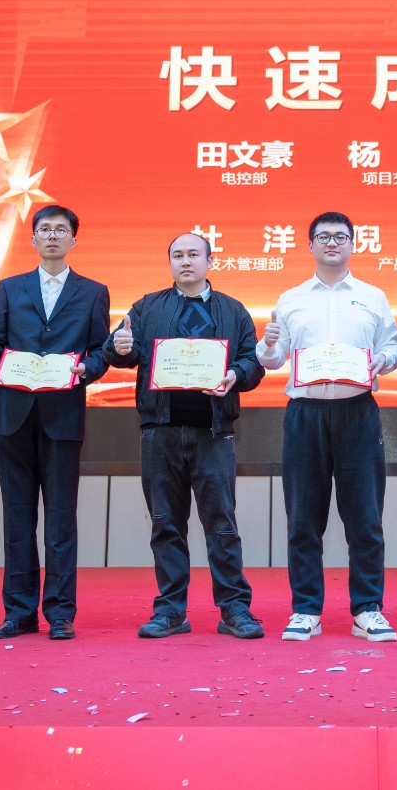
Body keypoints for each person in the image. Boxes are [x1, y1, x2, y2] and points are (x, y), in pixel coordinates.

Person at [103, 231, 267, 640]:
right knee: (165, 524)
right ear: (170, 263)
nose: (185, 261)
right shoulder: (147, 307)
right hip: (160, 432)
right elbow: (118, 351)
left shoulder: (233, 310)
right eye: (177, 255)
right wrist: (120, 347)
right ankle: (171, 611)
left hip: (214, 433)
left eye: (194, 254)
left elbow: (253, 363)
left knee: (222, 524)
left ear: (210, 261)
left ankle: (234, 609)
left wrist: (236, 374)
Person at [257, 211, 397, 642]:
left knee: (365, 518)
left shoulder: (373, 296)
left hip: (358, 412)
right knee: (303, 519)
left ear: (353, 244)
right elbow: (274, 360)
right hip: (305, 415)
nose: (332, 243)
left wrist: (384, 359)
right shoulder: (292, 298)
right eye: (323, 237)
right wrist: (268, 344)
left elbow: (392, 347)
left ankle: (367, 609)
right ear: (310, 246)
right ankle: (306, 610)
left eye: (340, 237)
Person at [0, 205, 111, 641]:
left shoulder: (93, 292)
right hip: (11, 413)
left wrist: (86, 369)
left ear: (73, 240)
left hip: (62, 414)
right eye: (44, 229)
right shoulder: (10, 288)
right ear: (32, 239)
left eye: (60, 230)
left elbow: (100, 350)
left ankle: (61, 613)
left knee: (61, 518)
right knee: (17, 516)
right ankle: (19, 612)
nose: (52, 235)